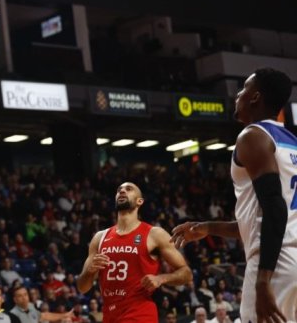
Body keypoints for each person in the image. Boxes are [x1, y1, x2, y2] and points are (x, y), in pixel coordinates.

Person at [171, 68, 296, 323]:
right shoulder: (292, 142)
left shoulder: (253, 136)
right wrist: (207, 227)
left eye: (243, 89)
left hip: (276, 261)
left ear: (255, 97)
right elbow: (263, 219)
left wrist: (263, 280)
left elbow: (275, 210)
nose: (237, 95)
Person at [76, 182, 192, 322]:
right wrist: (88, 271)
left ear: (139, 201)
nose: (122, 191)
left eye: (128, 189)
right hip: (110, 315)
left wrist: (161, 279)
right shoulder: (99, 238)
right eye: (119, 190)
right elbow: (82, 287)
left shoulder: (155, 234)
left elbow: (186, 273)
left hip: (140, 313)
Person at [10, 286, 75, 323]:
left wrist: (63, 317)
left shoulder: (30, 306)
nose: (24, 298)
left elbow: (43, 316)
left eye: (25, 294)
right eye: (20, 296)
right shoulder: (13, 315)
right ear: (15, 299)